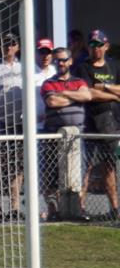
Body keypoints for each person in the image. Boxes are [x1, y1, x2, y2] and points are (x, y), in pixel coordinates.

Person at [41, 47, 91, 221]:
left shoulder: (79, 81)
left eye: (63, 60)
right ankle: (54, 210)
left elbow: (87, 96)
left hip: (77, 137)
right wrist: (74, 97)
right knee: (52, 175)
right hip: (54, 136)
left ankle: (79, 209)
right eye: (57, 60)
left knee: (80, 174)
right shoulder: (48, 83)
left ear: (70, 61)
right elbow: (53, 101)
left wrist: (65, 93)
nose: (60, 63)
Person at [75, 29, 120, 221]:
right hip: (90, 125)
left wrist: (104, 87)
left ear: (106, 46)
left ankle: (115, 209)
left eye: (99, 45)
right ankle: (80, 209)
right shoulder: (83, 67)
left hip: (112, 125)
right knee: (85, 170)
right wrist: (113, 93)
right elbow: (89, 93)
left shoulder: (114, 66)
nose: (96, 49)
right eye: (92, 45)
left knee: (109, 169)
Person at [0, 33, 24, 219]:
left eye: (12, 44)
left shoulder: (24, 67)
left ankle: (15, 207)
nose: (8, 48)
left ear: (17, 47)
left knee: (18, 168)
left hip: (19, 123)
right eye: (5, 44)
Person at [34, 38, 58, 129]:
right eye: (42, 52)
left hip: (53, 122)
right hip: (36, 125)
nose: (45, 56)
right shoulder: (29, 71)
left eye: (48, 52)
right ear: (36, 53)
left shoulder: (55, 71)